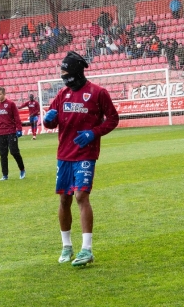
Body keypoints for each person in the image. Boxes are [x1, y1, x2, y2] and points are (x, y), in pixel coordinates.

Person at [42, 51, 119, 267]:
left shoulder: (97, 93)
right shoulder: (62, 94)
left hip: (86, 153)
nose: (63, 76)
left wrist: (93, 133)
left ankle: (87, 249)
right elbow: (51, 122)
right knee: (64, 199)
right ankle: (67, 246)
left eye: (66, 72)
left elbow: (113, 119)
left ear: (76, 71)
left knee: (81, 196)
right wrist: (48, 120)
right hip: (64, 154)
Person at [0, 87, 25, 180]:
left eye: (0, 94)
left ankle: (22, 169)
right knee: (3, 154)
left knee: (14, 152)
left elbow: (17, 117)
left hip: (11, 132)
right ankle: (5, 175)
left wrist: (19, 129)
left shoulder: (11, 104)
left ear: (4, 94)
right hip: (0, 133)